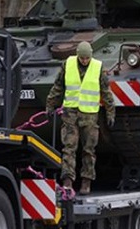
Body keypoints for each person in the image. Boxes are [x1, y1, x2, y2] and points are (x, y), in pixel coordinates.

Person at [46, 41, 115, 195]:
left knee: (88, 149)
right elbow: (58, 87)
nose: (84, 61)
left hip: (89, 115)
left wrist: (111, 112)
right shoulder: (68, 65)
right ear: (78, 55)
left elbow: (106, 93)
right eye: (82, 58)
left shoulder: (97, 67)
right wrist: (50, 105)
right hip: (70, 113)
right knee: (69, 147)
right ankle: (68, 181)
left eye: (86, 58)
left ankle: (86, 181)